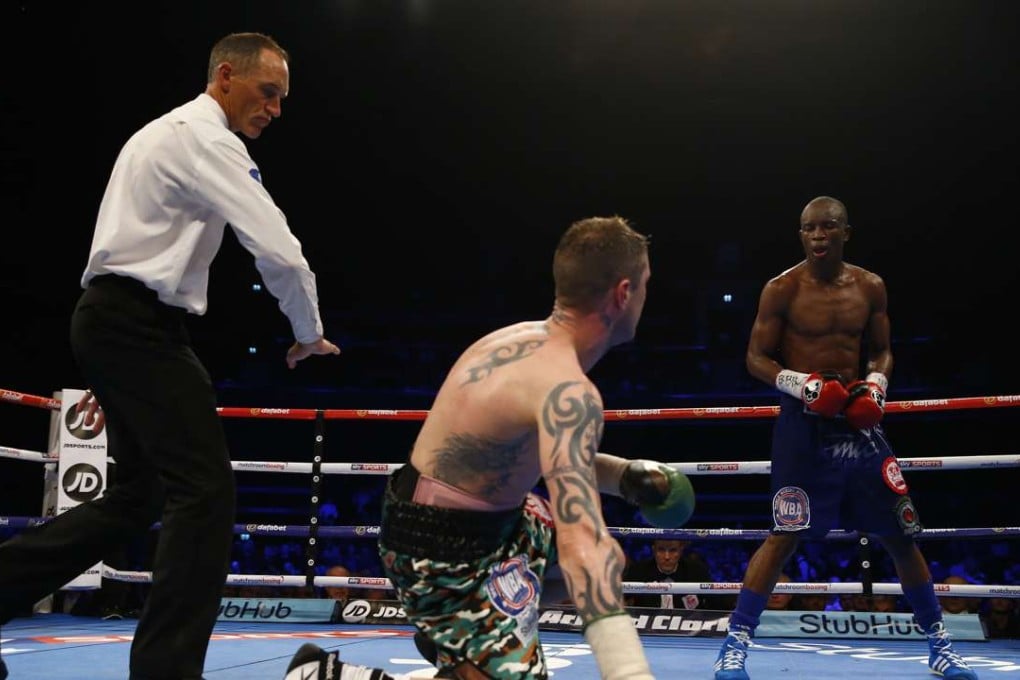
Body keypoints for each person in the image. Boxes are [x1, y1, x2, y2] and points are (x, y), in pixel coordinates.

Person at [0, 31, 340, 680]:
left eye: (283, 98)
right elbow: (276, 245)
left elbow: (128, 254)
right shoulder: (206, 138)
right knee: (206, 491)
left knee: (138, 496)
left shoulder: (161, 133)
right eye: (267, 92)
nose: (276, 108)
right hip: (134, 327)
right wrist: (307, 329)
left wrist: (114, 364)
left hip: (119, 322)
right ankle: (167, 671)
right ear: (225, 77)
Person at [285, 216, 696, 680]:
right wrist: (628, 671)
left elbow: (522, 454)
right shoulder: (570, 392)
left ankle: (469, 646)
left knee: (609, 560)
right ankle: (337, 673)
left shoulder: (513, 340)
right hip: (438, 551)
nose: (645, 297)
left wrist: (623, 476)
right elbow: (583, 545)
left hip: (491, 519)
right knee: (595, 555)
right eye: (644, 286)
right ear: (623, 294)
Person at [712, 196, 978, 680]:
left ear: (845, 232)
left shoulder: (870, 286)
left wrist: (876, 385)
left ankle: (941, 646)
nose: (818, 235)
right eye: (810, 228)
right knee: (784, 533)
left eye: (828, 227)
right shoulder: (782, 289)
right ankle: (735, 646)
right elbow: (755, 357)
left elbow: (881, 351)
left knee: (900, 535)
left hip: (859, 422)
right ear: (801, 235)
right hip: (802, 425)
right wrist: (802, 384)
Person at [623, 539, 714, 610]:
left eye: (672, 550)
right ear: (654, 550)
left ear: (681, 550)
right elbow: (620, 598)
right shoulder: (639, 571)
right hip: (647, 631)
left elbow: (715, 603)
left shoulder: (696, 571)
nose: (667, 557)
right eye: (661, 550)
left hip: (689, 630)